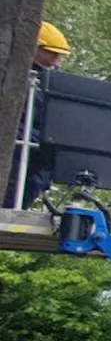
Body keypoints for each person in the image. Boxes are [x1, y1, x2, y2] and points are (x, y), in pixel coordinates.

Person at [4, 21, 71, 209]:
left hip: (35, 155)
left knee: (32, 184)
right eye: (51, 53)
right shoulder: (14, 74)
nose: (56, 60)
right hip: (17, 148)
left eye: (60, 56)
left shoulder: (49, 84)